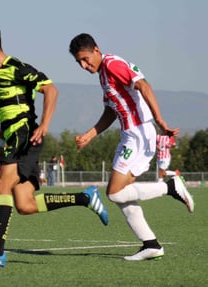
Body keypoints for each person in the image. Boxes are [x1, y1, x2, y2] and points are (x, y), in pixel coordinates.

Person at [0, 21, 109, 269]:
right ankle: (85, 198)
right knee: (25, 204)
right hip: (12, 137)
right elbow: (5, 114)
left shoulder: (17, 68)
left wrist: (44, 125)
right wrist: (1, 144)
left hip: (25, 134)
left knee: (1, 183)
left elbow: (51, 90)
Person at [69, 33, 195, 261]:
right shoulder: (103, 74)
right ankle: (151, 244)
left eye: (86, 59)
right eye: (79, 62)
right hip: (130, 133)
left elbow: (144, 86)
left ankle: (170, 187)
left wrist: (159, 119)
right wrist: (90, 135)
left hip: (137, 133)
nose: (83, 65)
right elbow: (111, 111)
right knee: (122, 196)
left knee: (114, 193)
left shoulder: (112, 64)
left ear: (96, 49)